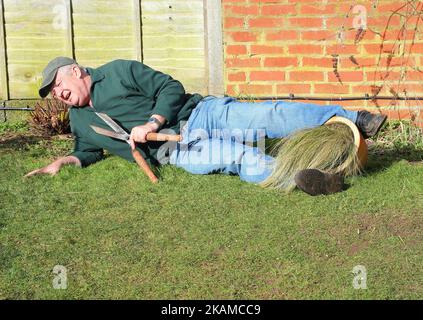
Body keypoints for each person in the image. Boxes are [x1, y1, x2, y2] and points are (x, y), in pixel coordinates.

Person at [25, 57, 387, 195]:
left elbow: (170, 87)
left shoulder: (119, 71)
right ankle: (310, 179)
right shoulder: (78, 119)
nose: (58, 94)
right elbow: (86, 150)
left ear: (76, 71)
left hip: (199, 114)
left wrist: (152, 121)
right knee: (238, 159)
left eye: (58, 84)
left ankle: (357, 118)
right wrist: (63, 162)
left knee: (266, 117)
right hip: (173, 150)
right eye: (53, 93)